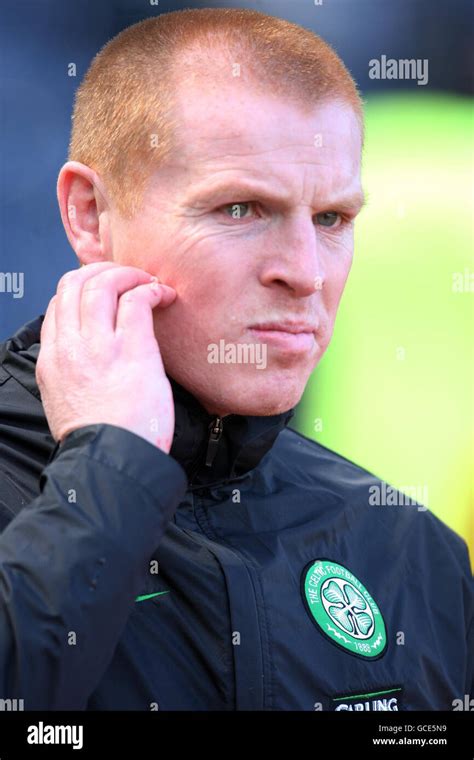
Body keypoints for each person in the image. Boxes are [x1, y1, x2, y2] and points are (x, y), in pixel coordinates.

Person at [0, 8, 472, 711]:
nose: (306, 273)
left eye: (332, 219)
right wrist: (109, 465)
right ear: (90, 213)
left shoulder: (413, 547)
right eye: (241, 210)